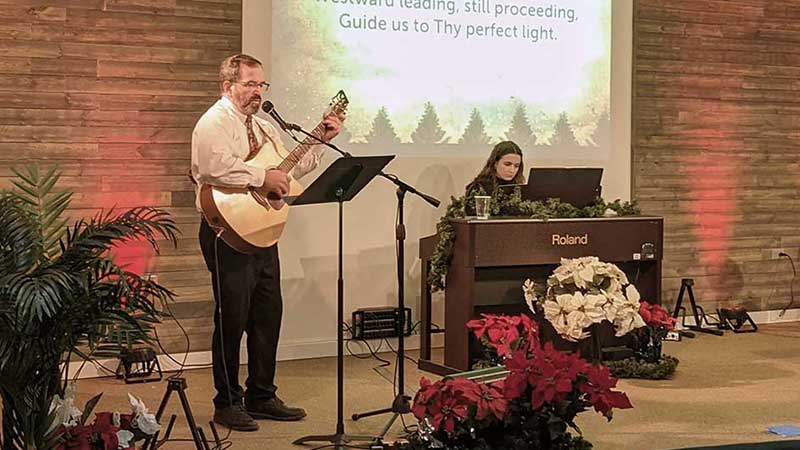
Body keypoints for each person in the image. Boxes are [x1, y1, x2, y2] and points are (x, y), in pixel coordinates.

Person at [191, 53, 344, 432]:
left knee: (267, 316)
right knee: (232, 319)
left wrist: (320, 140)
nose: (258, 91)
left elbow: (293, 168)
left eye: (262, 84)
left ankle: (261, 394)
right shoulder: (214, 122)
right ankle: (226, 402)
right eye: (250, 84)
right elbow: (213, 167)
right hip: (226, 231)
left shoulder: (263, 125)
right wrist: (261, 177)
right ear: (228, 86)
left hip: (262, 232)